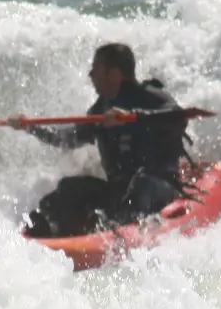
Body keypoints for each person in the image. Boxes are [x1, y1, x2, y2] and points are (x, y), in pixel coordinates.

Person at [13, 43, 191, 238]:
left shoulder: (151, 96)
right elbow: (67, 138)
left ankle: (116, 229)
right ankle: (53, 228)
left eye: (95, 70)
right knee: (69, 187)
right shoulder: (100, 110)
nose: (91, 75)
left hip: (159, 186)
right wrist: (30, 127)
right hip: (120, 192)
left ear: (114, 75)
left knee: (142, 183)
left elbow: (179, 118)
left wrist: (134, 117)